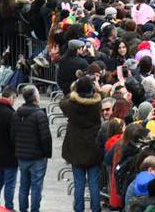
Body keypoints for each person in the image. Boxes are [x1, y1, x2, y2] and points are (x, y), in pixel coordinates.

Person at [60, 75, 104, 212]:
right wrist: (99, 90)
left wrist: (73, 90)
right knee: (94, 183)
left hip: (76, 148)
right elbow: (104, 97)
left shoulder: (71, 105)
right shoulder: (97, 104)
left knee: (79, 183)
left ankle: (79, 209)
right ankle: (95, 209)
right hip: (93, 148)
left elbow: (63, 102)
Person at [12, 84, 51, 212]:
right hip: (37, 157)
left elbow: (13, 134)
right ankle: (35, 210)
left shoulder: (17, 114)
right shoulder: (39, 114)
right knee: (36, 187)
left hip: (22, 156)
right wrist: (46, 153)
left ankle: (23, 209)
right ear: (35, 97)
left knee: (24, 186)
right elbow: (45, 137)